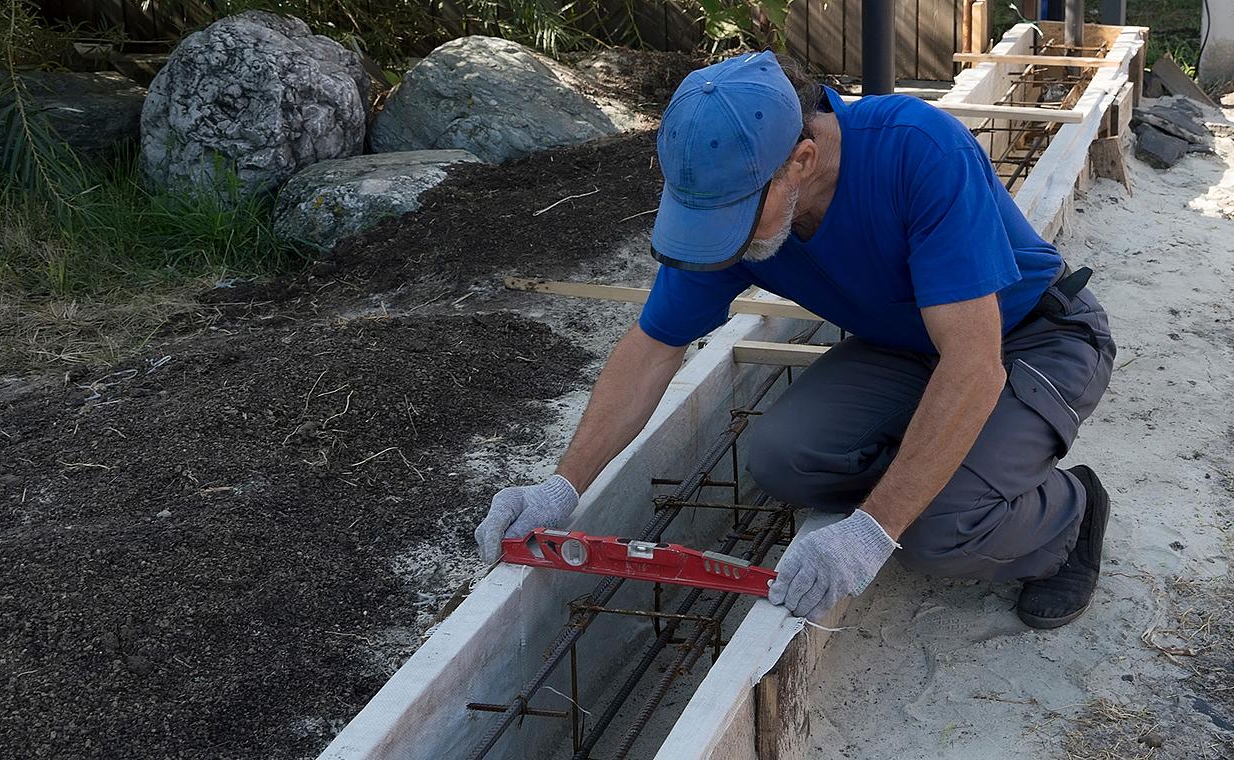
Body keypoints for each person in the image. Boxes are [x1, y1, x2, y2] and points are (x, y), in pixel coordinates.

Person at [476, 50, 1115, 629]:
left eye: (733, 217)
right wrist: (562, 486)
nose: (720, 240)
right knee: (785, 458)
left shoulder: (917, 150)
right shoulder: (739, 194)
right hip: (906, 346)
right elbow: (653, 348)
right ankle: (941, 465)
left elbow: (974, 366)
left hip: (1030, 339)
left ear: (802, 162)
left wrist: (873, 529)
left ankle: (1070, 516)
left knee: (935, 533)